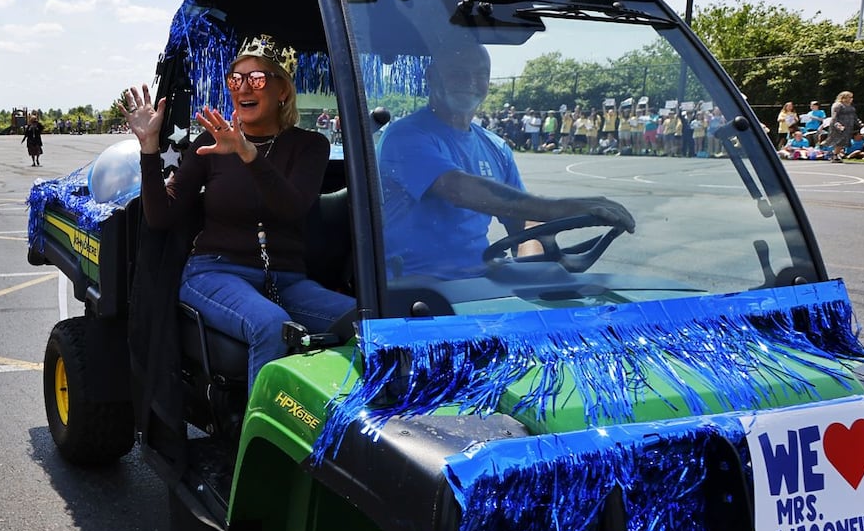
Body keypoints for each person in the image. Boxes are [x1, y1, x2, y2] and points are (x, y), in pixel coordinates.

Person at [124, 35, 354, 391]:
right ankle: (261, 441)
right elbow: (161, 216)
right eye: (236, 78)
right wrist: (149, 148)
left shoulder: (309, 146)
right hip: (213, 272)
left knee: (363, 319)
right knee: (270, 325)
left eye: (257, 78)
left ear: (282, 91)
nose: (243, 86)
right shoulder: (210, 143)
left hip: (287, 278)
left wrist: (248, 155)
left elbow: (292, 207)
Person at [378, 38, 634, 280]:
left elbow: (521, 219)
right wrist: (560, 208)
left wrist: (532, 267)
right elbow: (456, 188)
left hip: (479, 282)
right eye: (458, 73)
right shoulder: (405, 136)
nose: (470, 82)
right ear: (432, 77)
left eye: (480, 75)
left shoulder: (496, 147)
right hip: (415, 288)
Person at [825, 91, 859, 159]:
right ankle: (834, 155)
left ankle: (835, 154)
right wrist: (838, 125)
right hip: (839, 126)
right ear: (844, 98)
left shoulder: (850, 106)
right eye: (849, 97)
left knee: (843, 142)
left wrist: (860, 124)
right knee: (838, 141)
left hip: (848, 126)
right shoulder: (838, 105)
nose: (851, 99)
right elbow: (834, 116)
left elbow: (855, 117)